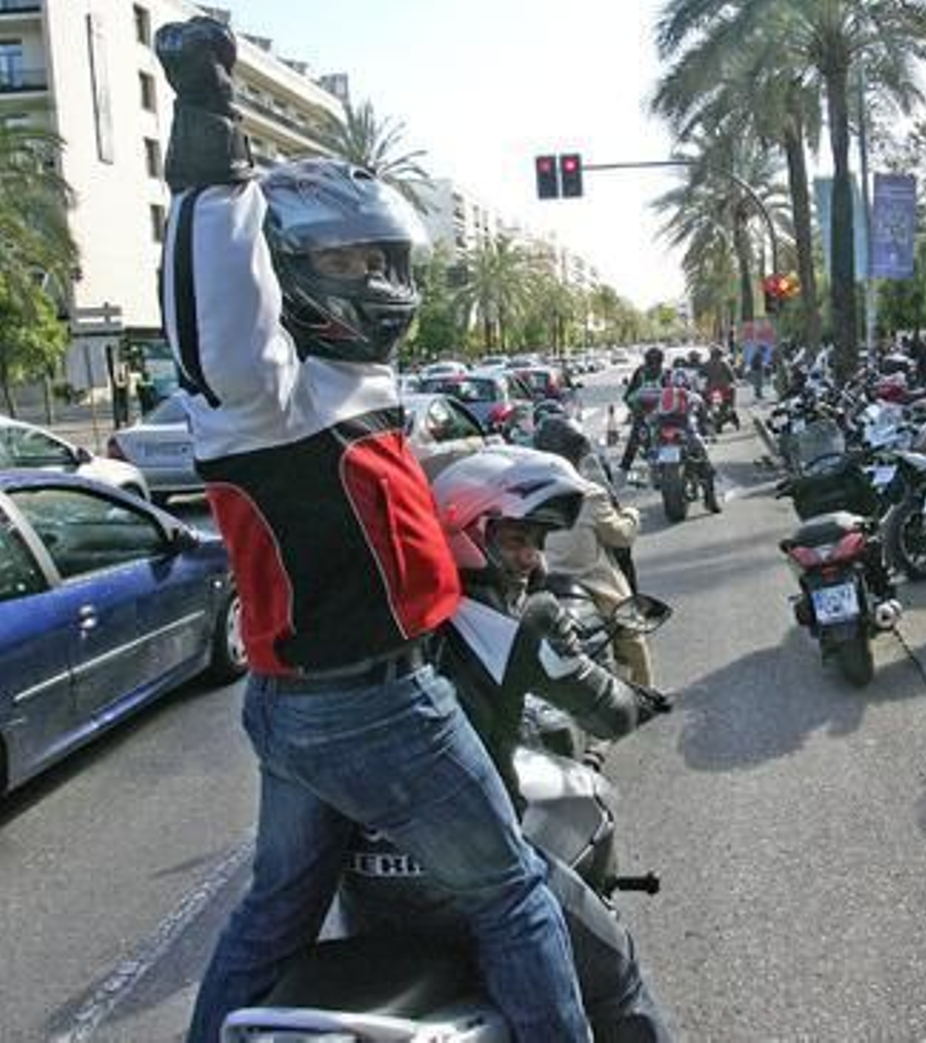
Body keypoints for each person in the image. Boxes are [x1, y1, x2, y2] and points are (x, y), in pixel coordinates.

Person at [156, 17, 586, 1043]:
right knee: (513, 892)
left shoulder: (346, 384)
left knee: (274, 908)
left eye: (380, 252)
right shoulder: (259, 396)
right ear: (291, 270)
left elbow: (391, 482)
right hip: (373, 707)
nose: (377, 275)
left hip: (302, 700)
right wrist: (209, 143)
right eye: (349, 255)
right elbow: (215, 309)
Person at [422, 445, 674, 1041]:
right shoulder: (523, 619)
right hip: (474, 853)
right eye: (514, 539)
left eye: (536, 541)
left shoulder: (396, 611)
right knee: (618, 978)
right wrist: (644, 701)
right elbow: (608, 712)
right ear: (465, 531)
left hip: (368, 872)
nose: (531, 559)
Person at [533, 416, 655, 686]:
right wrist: (633, 515)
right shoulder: (588, 494)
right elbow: (621, 537)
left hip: (541, 587)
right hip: (590, 585)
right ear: (576, 455)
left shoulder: (527, 492)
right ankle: (647, 695)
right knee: (632, 633)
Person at [618, 346, 667, 475]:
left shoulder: (660, 372)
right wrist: (634, 407)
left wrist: (632, 405)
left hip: (654, 411)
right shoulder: (658, 372)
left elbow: (628, 394)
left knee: (635, 436)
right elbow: (629, 395)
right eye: (653, 361)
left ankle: (625, 464)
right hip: (650, 412)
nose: (654, 365)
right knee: (635, 435)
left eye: (656, 361)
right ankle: (625, 464)